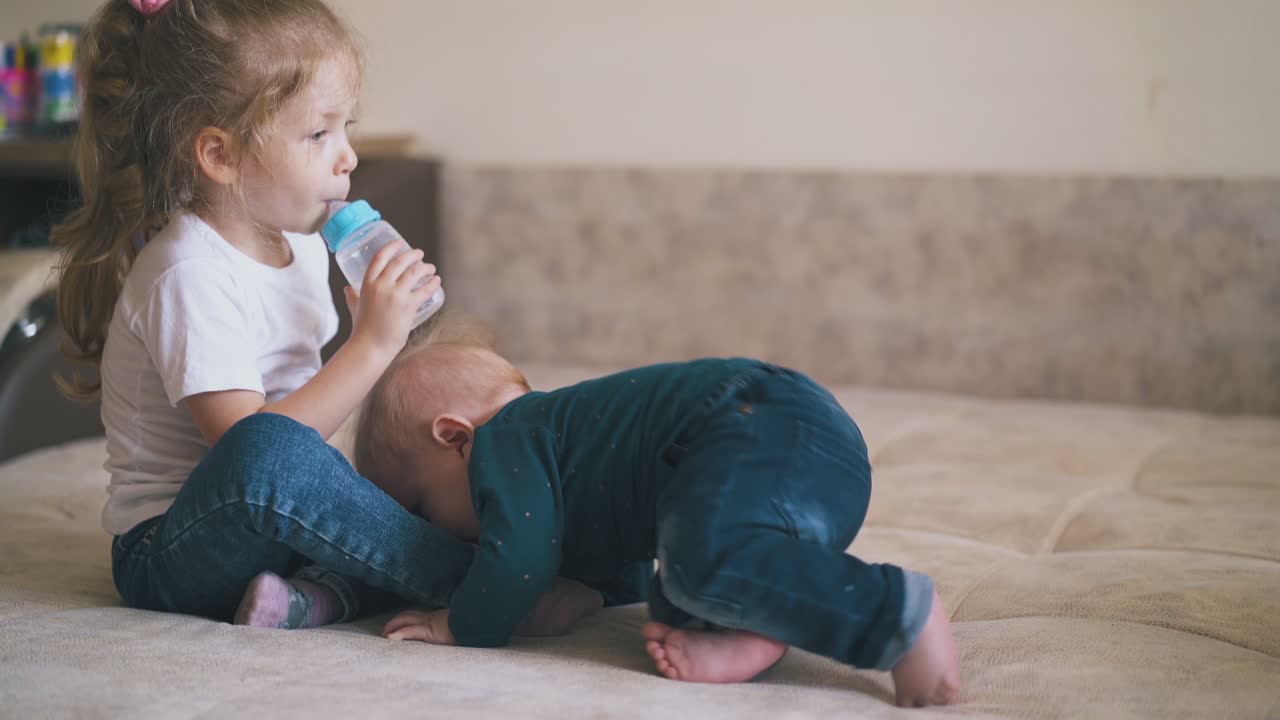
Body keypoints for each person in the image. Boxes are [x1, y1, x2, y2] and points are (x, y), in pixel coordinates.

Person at [51, 0, 590, 633]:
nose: (348, 158)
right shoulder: (188, 272)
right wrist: (368, 348)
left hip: (273, 517)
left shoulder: (303, 246)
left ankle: (325, 596)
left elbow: (304, 438)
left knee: (423, 419)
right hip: (171, 551)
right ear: (220, 155)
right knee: (290, 461)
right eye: (318, 134)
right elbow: (252, 454)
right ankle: (485, 585)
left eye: (346, 128)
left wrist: (384, 348)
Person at [353, 343, 961, 707]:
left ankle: (897, 612)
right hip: (803, 459)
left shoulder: (505, 439)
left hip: (755, 423)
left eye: (425, 508)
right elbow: (623, 559)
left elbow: (522, 552)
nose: (450, 535)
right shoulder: (571, 458)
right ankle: (756, 632)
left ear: (455, 437)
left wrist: (463, 621)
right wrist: (583, 594)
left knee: (705, 562)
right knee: (673, 598)